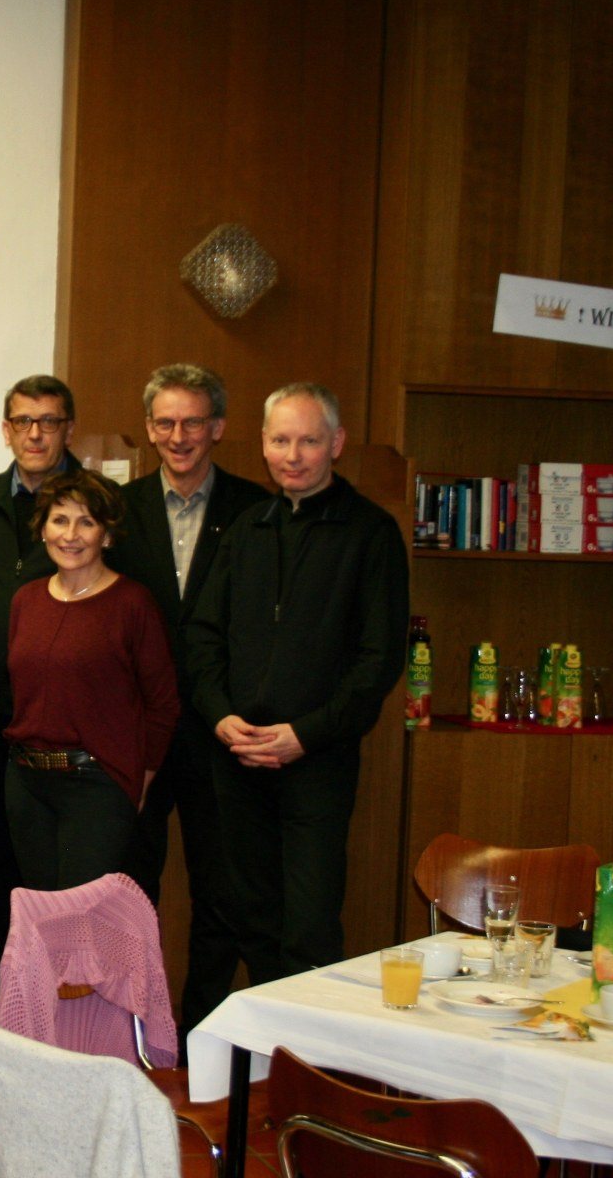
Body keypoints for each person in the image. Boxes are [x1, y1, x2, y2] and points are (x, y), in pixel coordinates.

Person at [185, 382, 408, 984]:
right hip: (237, 756)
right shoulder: (245, 529)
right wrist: (218, 715)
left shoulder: (371, 533)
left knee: (308, 926)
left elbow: (379, 659)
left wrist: (305, 734)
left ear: (335, 444)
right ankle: (264, 1057)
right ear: (262, 444)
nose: (293, 454)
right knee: (251, 917)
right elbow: (203, 638)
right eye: (281, 440)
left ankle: (306, 1067)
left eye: (308, 440)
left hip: (316, 760)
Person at [112, 364, 269, 1036]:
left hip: (221, 730)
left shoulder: (256, 510)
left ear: (219, 428)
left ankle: (204, 1028)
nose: (180, 436)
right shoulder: (117, 508)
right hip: (139, 733)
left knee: (221, 894)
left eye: (193, 422)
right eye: (166, 423)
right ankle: (134, 1025)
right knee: (131, 888)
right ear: (149, 429)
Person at [0, 374, 111, 1017]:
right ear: (6, 430)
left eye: (49, 421)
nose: (36, 434)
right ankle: (1, 1008)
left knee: (63, 885)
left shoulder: (98, 503)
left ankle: (66, 1015)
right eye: (23, 422)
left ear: (69, 428)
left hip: (71, 733)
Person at [5, 470, 178, 890]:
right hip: (27, 784)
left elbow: (163, 703)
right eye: (60, 520)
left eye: (87, 522)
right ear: (42, 528)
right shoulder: (26, 600)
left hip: (97, 788)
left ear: (107, 534)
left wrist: (142, 778)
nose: (71, 534)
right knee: (42, 918)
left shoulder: (132, 603)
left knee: (81, 920)